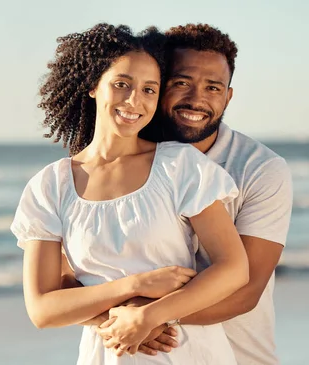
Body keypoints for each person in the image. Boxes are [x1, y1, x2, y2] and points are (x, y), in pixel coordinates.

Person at [10, 23, 249, 364]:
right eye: (122, 84)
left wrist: (149, 316)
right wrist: (133, 288)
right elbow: (43, 309)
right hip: (109, 352)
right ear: (94, 86)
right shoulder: (50, 186)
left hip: (187, 352)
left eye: (150, 90)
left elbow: (233, 268)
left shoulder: (179, 165)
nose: (135, 100)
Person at [85, 24, 293, 365]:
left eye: (213, 88)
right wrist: (122, 320)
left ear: (227, 96)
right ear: (158, 84)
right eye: (182, 83)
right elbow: (71, 283)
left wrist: (149, 318)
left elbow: (247, 290)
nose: (197, 99)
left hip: (239, 357)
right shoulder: (115, 164)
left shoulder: (260, 169)